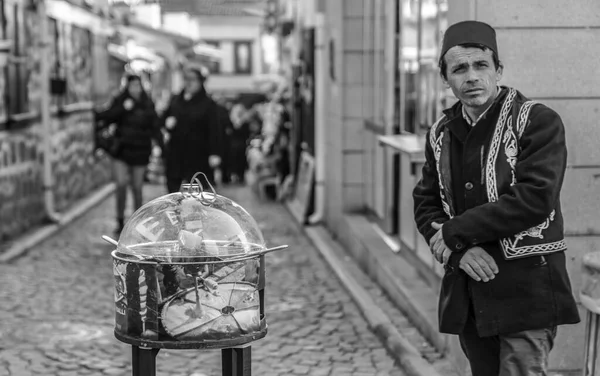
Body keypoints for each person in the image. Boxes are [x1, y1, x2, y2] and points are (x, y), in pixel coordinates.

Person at [412, 20, 580, 376]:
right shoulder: (440, 133)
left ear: (498, 70)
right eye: (459, 68)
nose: (471, 76)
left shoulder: (536, 121)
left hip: (528, 290)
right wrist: (458, 250)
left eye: (481, 65)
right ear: (446, 79)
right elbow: (426, 203)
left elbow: (535, 198)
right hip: (471, 294)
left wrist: (456, 233)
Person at [95, 73, 162, 235]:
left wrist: (162, 147)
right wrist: (122, 108)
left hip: (140, 151)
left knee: (137, 187)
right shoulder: (121, 101)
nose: (135, 89)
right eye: (132, 85)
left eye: (137, 85)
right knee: (121, 184)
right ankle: (120, 220)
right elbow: (107, 116)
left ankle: (138, 221)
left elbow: (155, 127)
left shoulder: (147, 104)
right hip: (122, 151)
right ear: (127, 86)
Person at [160, 66, 223, 193]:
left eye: (192, 79)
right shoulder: (176, 100)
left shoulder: (208, 104)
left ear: (200, 82)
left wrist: (215, 153)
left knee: (196, 192)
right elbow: (162, 119)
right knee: (173, 191)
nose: (188, 82)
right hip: (176, 154)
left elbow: (215, 130)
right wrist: (167, 123)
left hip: (198, 154)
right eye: (186, 79)